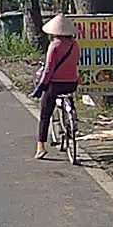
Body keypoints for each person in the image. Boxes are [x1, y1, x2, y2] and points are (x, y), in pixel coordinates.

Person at [30, 15, 81, 159]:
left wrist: (41, 87)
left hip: (56, 85)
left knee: (45, 114)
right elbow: (76, 62)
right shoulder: (75, 45)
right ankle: (72, 120)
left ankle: (41, 146)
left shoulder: (54, 46)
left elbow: (48, 70)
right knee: (69, 99)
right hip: (72, 83)